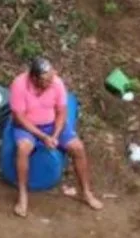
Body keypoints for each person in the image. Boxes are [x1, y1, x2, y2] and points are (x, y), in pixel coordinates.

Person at [9, 57, 103, 218]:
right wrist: (41, 136)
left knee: (78, 147)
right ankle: (23, 195)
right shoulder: (19, 85)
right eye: (46, 80)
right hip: (27, 126)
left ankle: (86, 192)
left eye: (51, 78)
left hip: (52, 124)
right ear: (34, 79)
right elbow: (18, 117)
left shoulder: (56, 83)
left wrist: (55, 134)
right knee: (23, 148)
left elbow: (62, 111)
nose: (50, 82)